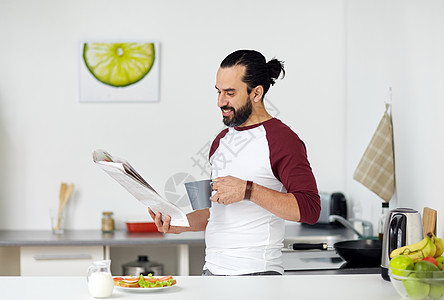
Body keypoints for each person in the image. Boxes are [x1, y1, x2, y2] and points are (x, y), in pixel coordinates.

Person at [149, 49, 320, 276]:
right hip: (212, 272)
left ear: (256, 93)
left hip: (258, 275)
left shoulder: (282, 139)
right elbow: (214, 212)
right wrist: (179, 224)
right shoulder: (222, 140)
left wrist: (248, 190)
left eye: (230, 93)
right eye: (219, 91)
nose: (220, 101)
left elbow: (310, 209)